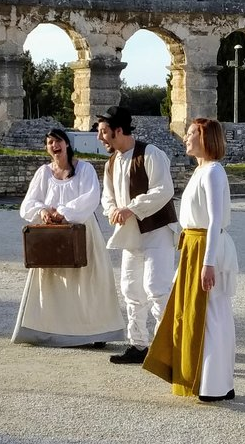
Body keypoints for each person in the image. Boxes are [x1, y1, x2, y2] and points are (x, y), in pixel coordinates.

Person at [142, 118, 239, 402]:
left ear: (205, 137)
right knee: (198, 312)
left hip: (206, 247)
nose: (186, 138)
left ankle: (215, 383)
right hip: (194, 246)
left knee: (211, 312)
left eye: (191, 133)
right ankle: (209, 379)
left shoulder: (213, 172)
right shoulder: (200, 171)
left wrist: (208, 262)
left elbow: (214, 220)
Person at [12, 128, 125, 347]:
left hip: (82, 231)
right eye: (49, 142)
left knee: (88, 283)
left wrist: (64, 211)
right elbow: (28, 203)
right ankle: (50, 331)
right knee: (54, 284)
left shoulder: (85, 169)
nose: (54, 146)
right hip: (53, 235)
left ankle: (94, 333)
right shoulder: (43, 173)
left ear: (67, 143)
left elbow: (91, 197)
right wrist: (43, 211)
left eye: (57, 141)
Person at [96, 106, 179, 364]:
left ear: (118, 131)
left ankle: (168, 347)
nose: (100, 138)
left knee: (157, 287)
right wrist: (113, 211)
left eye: (103, 132)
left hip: (157, 231)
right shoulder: (111, 163)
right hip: (131, 235)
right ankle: (138, 344)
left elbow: (163, 190)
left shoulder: (151, 154)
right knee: (131, 288)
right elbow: (107, 197)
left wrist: (131, 208)